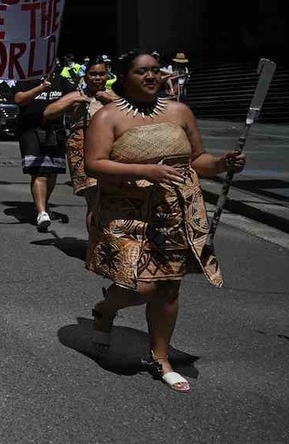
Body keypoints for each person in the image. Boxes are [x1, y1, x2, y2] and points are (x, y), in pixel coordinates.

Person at [84, 50, 245, 393]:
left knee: (169, 285)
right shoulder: (107, 117)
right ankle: (105, 309)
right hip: (124, 210)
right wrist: (146, 170)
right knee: (139, 286)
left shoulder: (180, 111)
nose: (151, 76)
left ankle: (160, 356)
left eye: (156, 70)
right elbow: (94, 165)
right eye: (142, 72)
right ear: (124, 77)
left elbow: (197, 159)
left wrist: (221, 164)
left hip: (174, 211)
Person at [44, 55, 118, 202]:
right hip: (83, 154)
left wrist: (111, 101)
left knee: (109, 199)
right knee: (93, 198)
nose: (97, 78)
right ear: (86, 76)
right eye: (93, 74)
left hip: (111, 153)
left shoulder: (115, 97)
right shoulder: (77, 95)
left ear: (107, 75)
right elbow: (49, 112)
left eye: (101, 74)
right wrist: (74, 100)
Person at [13, 70, 77, 231]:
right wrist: (40, 88)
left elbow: (74, 100)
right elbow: (18, 99)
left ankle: (42, 206)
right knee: (40, 172)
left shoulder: (61, 81)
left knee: (52, 171)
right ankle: (42, 212)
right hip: (31, 131)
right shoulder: (27, 78)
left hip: (55, 131)